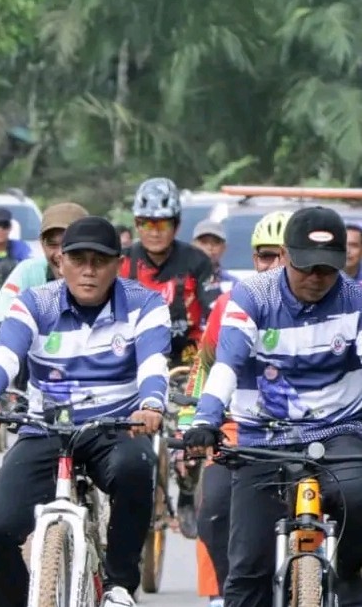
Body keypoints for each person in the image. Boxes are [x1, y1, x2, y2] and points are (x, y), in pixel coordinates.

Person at [0, 216, 171, 607]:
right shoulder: (34, 302)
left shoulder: (145, 304)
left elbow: (153, 366)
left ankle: (119, 586)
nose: (89, 271)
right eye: (78, 260)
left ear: (118, 264)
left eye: (100, 260)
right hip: (46, 428)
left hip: (115, 426)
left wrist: (150, 405)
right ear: (61, 262)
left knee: (135, 470)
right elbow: (4, 356)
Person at [184, 206, 362, 607]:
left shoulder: (356, 299)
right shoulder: (251, 296)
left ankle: (350, 581)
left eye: (327, 269)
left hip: (339, 432)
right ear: (283, 255)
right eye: (306, 267)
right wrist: (206, 419)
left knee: (359, 501)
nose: (316, 278)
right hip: (264, 436)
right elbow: (226, 364)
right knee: (248, 568)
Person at [181, 210, 290, 607]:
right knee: (215, 511)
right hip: (239, 429)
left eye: (284, 255)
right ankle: (226, 596)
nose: (275, 266)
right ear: (252, 258)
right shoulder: (228, 306)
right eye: (265, 256)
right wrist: (188, 428)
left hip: (314, 430)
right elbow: (203, 372)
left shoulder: (331, 300)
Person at [121, 176, 219, 538]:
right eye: (146, 223)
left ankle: (189, 493)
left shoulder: (197, 261)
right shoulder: (121, 263)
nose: (154, 231)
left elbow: (213, 314)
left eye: (161, 223)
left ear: (176, 224)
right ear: (136, 225)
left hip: (186, 363)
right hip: (133, 362)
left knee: (190, 436)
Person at [0, 202, 88, 393]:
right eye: (52, 244)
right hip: (38, 384)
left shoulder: (20, 248)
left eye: (69, 245)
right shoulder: (28, 270)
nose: (60, 254)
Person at [192, 219, 239, 293]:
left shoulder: (233, 284)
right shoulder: (178, 281)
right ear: (193, 246)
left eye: (216, 242)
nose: (210, 247)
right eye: (204, 242)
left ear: (224, 248)